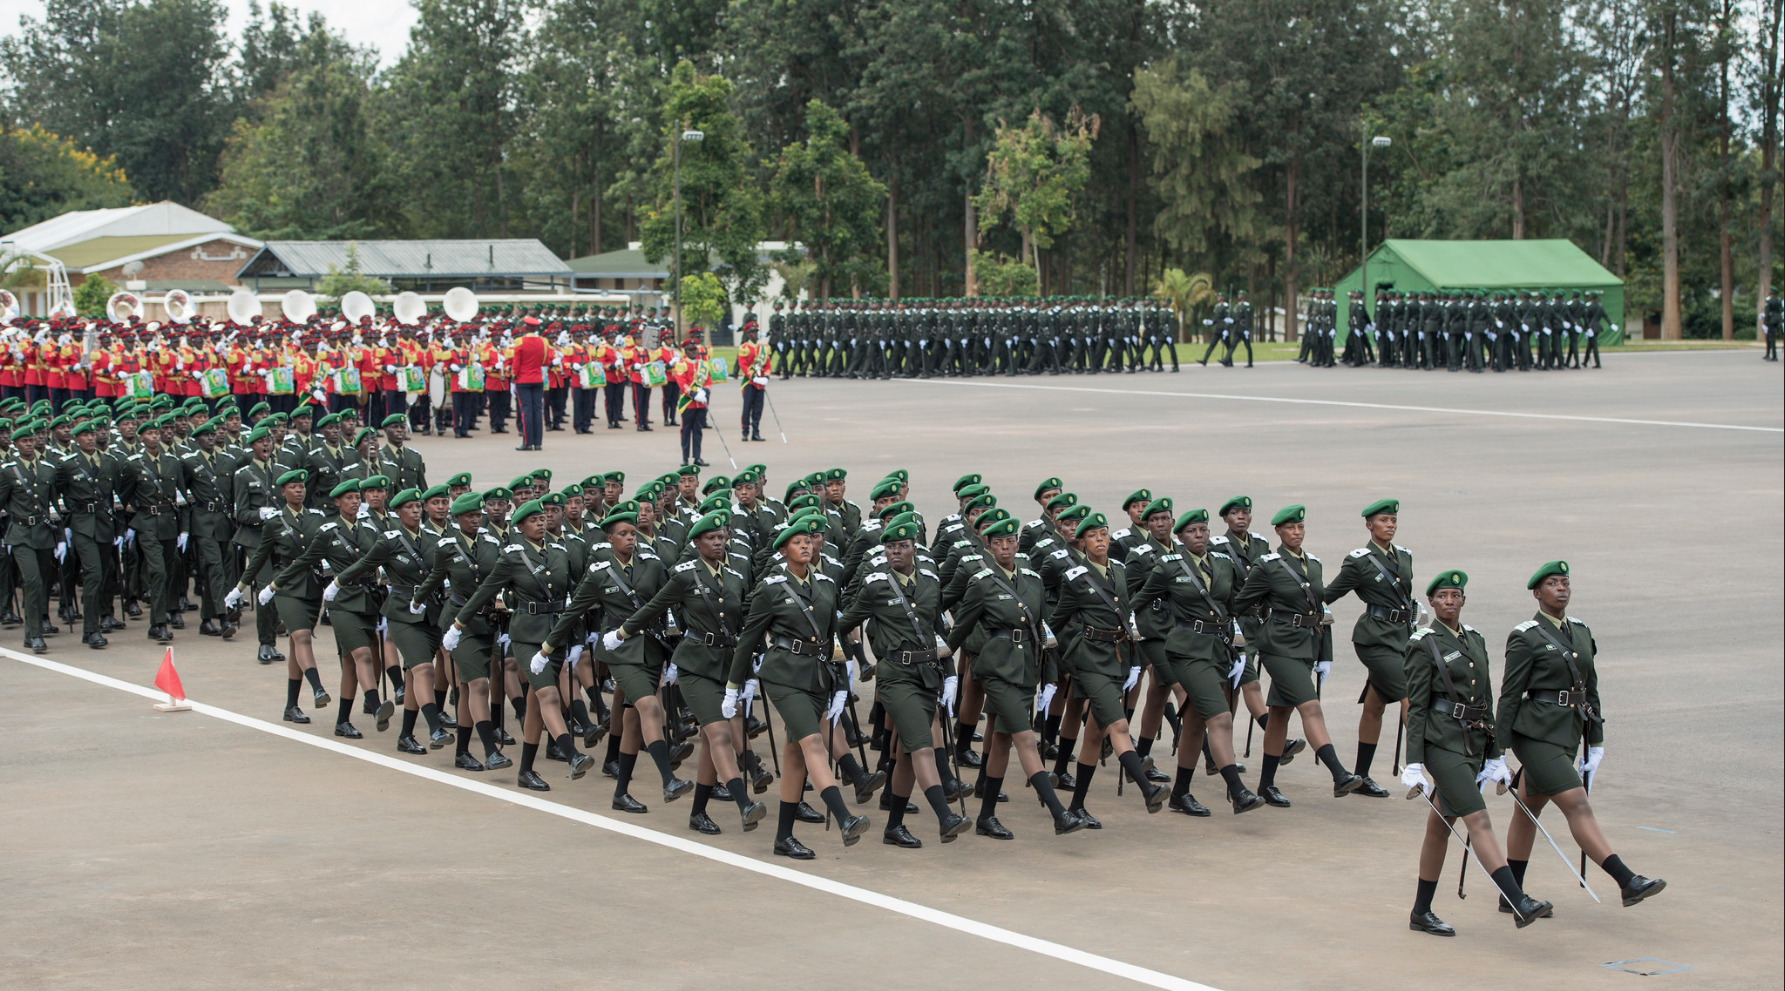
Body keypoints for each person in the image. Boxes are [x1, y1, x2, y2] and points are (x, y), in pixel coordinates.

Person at [1496, 560, 1665, 911]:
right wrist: (1498, 752)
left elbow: (1591, 688)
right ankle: (1626, 880)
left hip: (1569, 731)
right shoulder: (1525, 636)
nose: (1561, 588)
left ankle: (1509, 896)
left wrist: (1597, 740)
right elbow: (1510, 696)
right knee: (1577, 804)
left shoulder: (1582, 631)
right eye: (1553, 584)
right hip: (1536, 733)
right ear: (1537, 593)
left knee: (1528, 808)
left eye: (1565, 582)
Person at [1400, 568, 1553, 935]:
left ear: (1463, 601)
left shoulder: (1475, 639)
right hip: (1441, 744)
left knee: (1440, 827)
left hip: (1473, 743)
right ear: (1432, 602)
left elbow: (1486, 698)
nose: (1449, 602)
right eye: (1442, 597)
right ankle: (1516, 899)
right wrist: (1414, 762)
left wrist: (1497, 753)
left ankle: (1421, 912)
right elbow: (1416, 706)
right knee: (1478, 820)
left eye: (1455, 596)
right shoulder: (1423, 642)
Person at [728, 516, 871, 858]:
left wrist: (841, 679)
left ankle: (783, 838)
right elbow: (748, 638)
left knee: (795, 757)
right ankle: (844, 817)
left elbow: (833, 635)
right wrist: (735, 684)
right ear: (783, 550)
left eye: (809, 540)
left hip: (818, 677)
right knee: (812, 743)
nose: (806, 545)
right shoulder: (771, 588)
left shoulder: (824, 585)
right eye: (798, 542)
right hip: (783, 676)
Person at [945, 516, 1087, 838]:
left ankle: (986, 817)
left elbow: (1044, 632)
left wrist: (1049, 678)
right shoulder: (982, 582)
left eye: (1009, 541)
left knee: (1002, 743)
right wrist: (943, 666)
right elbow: (961, 628)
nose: (1005, 547)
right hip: (996, 671)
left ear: (1017, 544)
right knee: (1025, 739)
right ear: (988, 546)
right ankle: (1059, 813)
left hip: (1026, 670)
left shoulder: (1034, 580)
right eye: (998, 543)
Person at [837, 517, 974, 847]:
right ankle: (946, 818)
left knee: (905, 756)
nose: (896, 551)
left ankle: (893, 827)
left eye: (902, 546)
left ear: (915, 548)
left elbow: (937, 630)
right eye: (890, 547)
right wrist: (839, 661)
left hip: (927, 676)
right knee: (923, 746)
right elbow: (846, 621)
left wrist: (951, 675)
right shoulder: (875, 585)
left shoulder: (930, 582)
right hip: (896, 679)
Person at [549, 507, 692, 813]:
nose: (630, 538)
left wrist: (677, 649)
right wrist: (548, 647)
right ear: (610, 538)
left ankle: (620, 793)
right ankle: (668, 779)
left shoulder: (652, 565)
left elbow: (670, 604)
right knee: (650, 707)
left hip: (652, 649)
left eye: (633, 534)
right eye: (623, 534)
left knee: (630, 723)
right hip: (620, 651)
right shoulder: (600, 573)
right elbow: (573, 612)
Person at [443, 499, 593, 790]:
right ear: (520, 526)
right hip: (526, 637)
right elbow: (484, 592)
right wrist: (458, 625)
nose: (541, 522)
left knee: (538, 705)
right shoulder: (513, 557)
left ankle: (525, 770)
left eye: (543, 517)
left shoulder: (560, 552)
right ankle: (572, 754)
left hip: (556, 636)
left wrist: (578, 636)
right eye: (534, 519)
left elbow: (573, 596)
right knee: (549, 695)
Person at [1132, 508, 1267, 815]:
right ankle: (1238, 792)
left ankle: (1180, 794)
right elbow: (1137, 603)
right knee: (1220, 718)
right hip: (1187, 652)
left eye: (1203, 530)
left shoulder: (1222, 562)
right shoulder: (1168, 566)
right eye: (1192, 531)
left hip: (1218, 650)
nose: (1199, 536)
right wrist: (1139, 636)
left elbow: (1233, 605)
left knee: (1193, 723)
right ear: (1180, 537)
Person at [1231, 505, 1364, 804]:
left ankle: (1266, 785)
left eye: (1300, 527)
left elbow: (1320, 610)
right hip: (1278, 647)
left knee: (1279, 714)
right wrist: (1238, 641)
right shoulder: (1267, 565)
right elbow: (1240, 605)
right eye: (1290, 528)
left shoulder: (1313, 564)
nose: (1296, 533)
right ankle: (1339, 774)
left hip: (1306, 646)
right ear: (1278, 531)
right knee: (1311, 707)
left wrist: (1325, 653)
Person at [1048, 512, 1168, 825]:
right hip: (1089, 661)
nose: (1100, 540)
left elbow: (1128, 617)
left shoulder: (1120, 570)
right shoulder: (1075, 578)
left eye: (1103, 534)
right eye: (1093, 536)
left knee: (1094, 735)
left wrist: (1135, 661)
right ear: (1082, 542)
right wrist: (1055, 658)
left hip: (1117, 658)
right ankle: (1147, 790)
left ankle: (1076, 806)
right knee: (1120, 726)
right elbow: (1057, 623)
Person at [332, 487, 454, 754]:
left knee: (413, 677)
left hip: (432, 612)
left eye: (417, 507)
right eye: (408, 507)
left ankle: (406, 735)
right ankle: (435, 728)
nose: (415, 511)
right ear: (397, 512)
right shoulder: (390, 541)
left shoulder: (435, 537)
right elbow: (364, 564)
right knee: (423, 670)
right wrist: (337, 583)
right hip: (402, 614)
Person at [1322, 498, 1414, 798]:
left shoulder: (1404, 556)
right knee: (1410, 698)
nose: (1389, 525)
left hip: (1401, 637)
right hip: (1374, 639)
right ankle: (1428, 769)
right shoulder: (1360, 561)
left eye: (1393, 521)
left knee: (1375, 705)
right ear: (1369, 525)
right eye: (1383, 521)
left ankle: (1361, 776)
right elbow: (1328, 594)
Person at [0, 417, 61, 652]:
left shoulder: (47, 469)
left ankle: (34, 629)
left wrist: (62, 536)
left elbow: (54, 504)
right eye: (24, 441)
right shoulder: (7, 472)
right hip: (21, 534)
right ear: (15, 444)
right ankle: (35, 634)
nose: (29, 444)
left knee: (43, 582)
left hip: (43, 533)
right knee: (33, 582)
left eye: (32, 440)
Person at [510, 316, 547, 451]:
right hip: (537, 378)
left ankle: (527, 442)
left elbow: (516, 362)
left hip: (523, 380)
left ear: (525, 328)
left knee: (526, 411)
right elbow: (545, 361)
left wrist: (513, 377)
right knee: (537, 410)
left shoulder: (520, 341)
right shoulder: (543, 342)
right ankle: (537, 443)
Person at [737, 323, 769, 442]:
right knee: (747, 408)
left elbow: (767, 364)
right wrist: (752, 377)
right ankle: (745, 431)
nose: (754, 334)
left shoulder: (764, 348)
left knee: (758, 408)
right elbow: (743, 365)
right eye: (752, 332)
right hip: (749, 382)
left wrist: (766, 376)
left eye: (756, 332)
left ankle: (756, 432)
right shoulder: (744, 348)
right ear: (747, 334)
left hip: (760, 382)